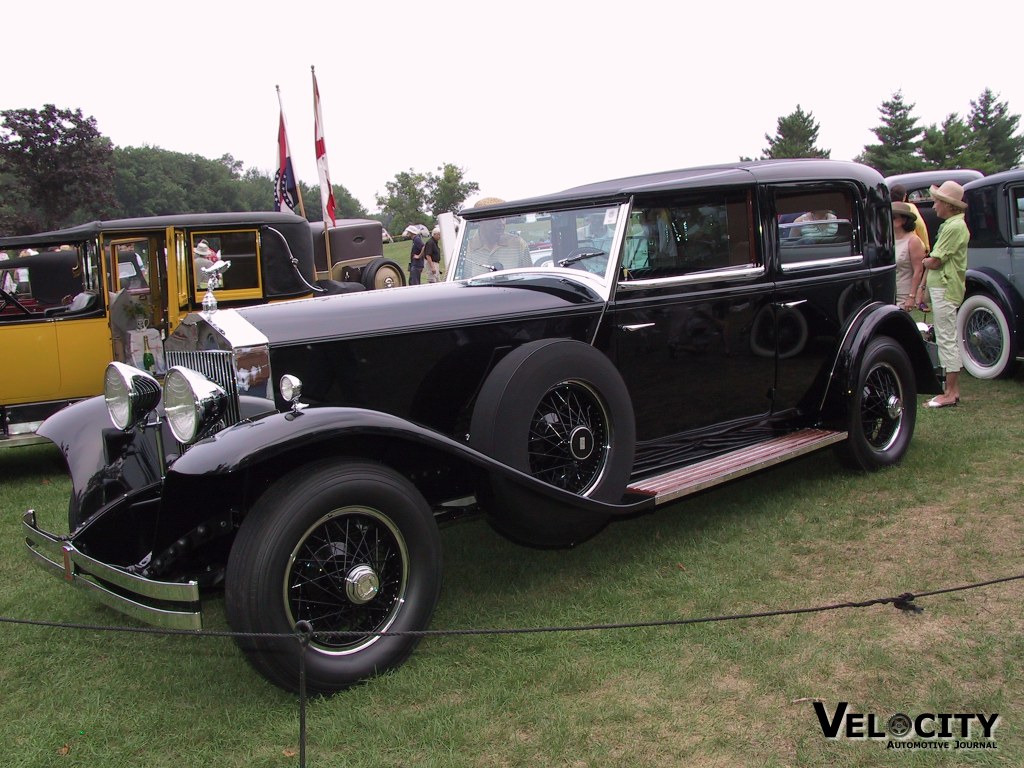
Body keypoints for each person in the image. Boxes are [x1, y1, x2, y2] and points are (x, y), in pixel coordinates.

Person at [921, 180, 970, 408]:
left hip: (945, 287)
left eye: (937, 202)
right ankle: (953, 390)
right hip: (944, 286)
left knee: (946, 338)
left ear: (948, 205)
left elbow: (936, 260)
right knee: (945, 335)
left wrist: (924, 260)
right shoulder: (952, 224)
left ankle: (949, 392)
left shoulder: (953, 227)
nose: (934, 207)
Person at [462, 197, 532, 277]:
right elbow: (454, 284)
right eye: (495, 218)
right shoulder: (465, 250)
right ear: (480, 221)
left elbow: (531, 278)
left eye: (503, 217)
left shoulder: (518, 245)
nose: (501, 223)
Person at [892, 201, 927, 311]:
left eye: (894, 217)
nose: (889, 220)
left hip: (904, 294)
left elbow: (918, 270)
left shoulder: (913, 241)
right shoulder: (888, 240)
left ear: (904, 220)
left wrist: (912, 296)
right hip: (889, 291)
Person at [889, 184, 931, 254]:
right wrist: (926, 246)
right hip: (910, 246)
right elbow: (920, 226)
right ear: (904, 196)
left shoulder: (887, 208)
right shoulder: (910, 207)